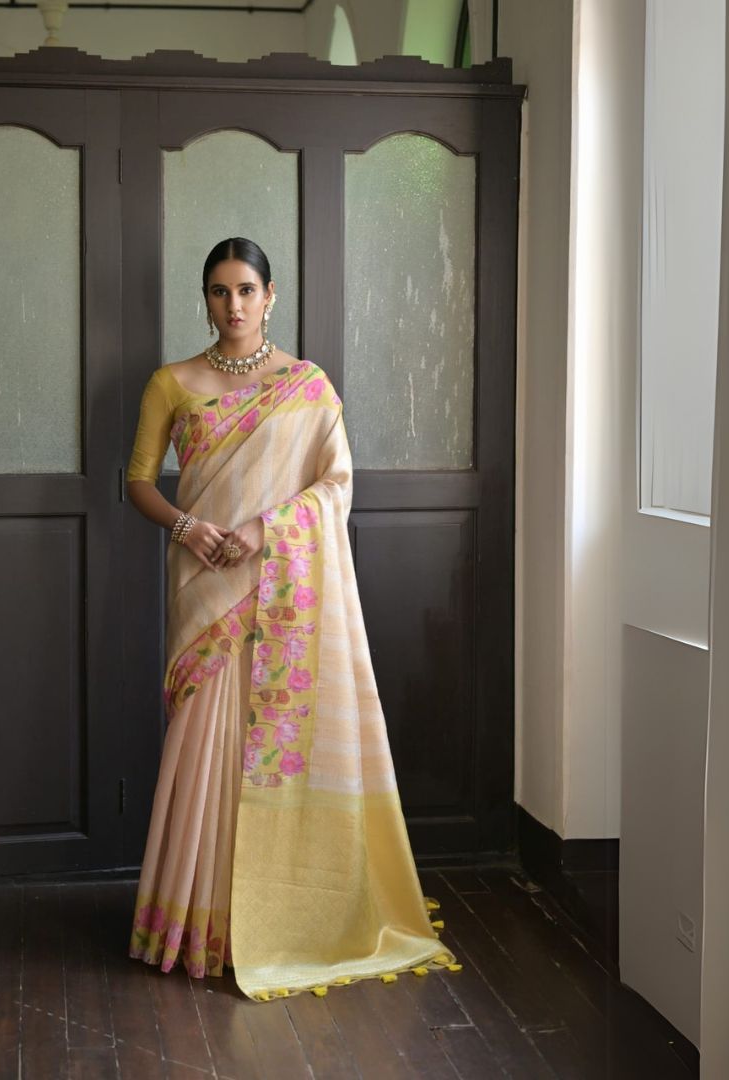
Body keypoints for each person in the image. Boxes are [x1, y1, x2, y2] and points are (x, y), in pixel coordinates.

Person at [125, 237, 461, 1002]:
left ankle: (280, 919)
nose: (233, 305)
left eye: (246, 290)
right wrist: (187, 527)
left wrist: (264, 531)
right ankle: (200, 926)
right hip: (208, 588)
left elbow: (336, 484)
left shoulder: (306, 387)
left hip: (281, 587)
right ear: (205, 299)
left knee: (273, 750)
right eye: (219, 292)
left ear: (270, 296)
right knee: (204, 748)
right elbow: (138, 482)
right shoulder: (171, 383)